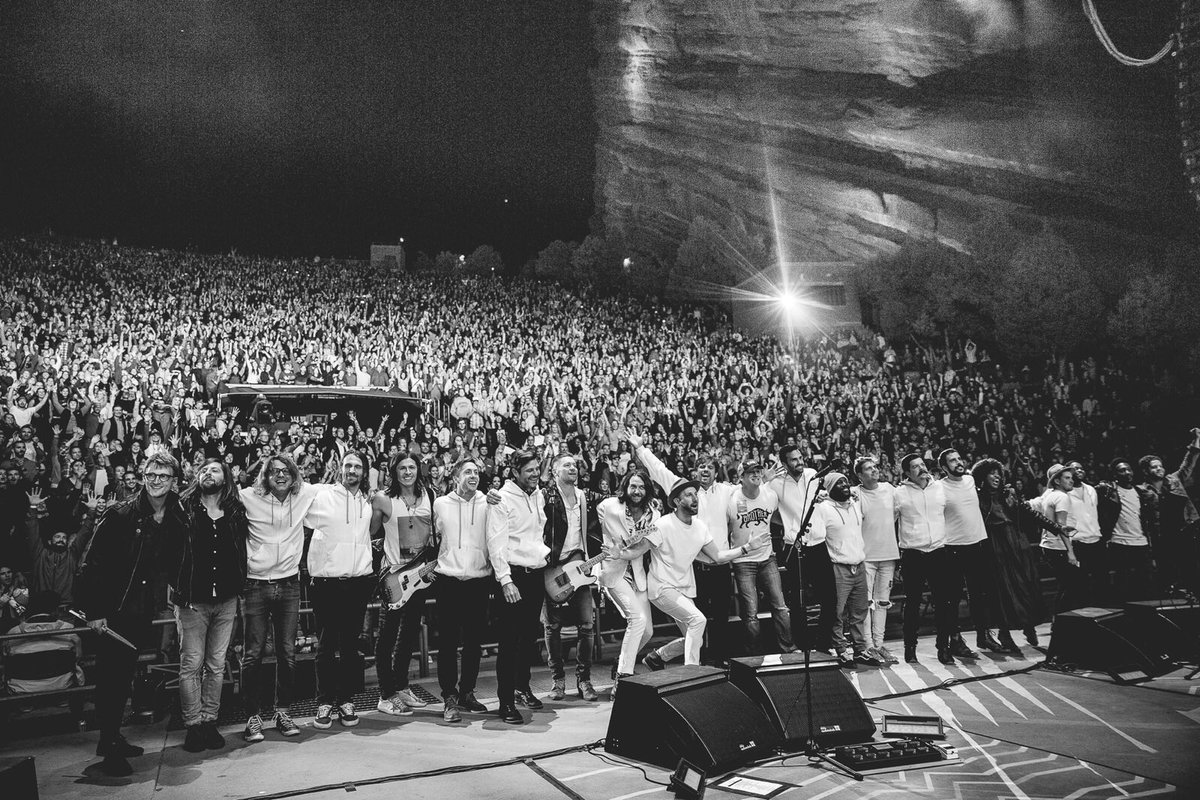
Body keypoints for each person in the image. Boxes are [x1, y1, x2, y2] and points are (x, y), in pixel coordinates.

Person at [74, 451, 187, 777]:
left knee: (123, 677)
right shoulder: (121, 513)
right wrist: (94, 612)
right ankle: (109, 746)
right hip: (113, 610)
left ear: (172, 481)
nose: (155, 480)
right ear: (143, 476)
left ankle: (111, 738)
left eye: (163, 476)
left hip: (141, 609)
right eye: (151, 474)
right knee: (110, 680)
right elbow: (91, 563)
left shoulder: (174, 512)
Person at [611, 478, 769, 668]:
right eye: (689, 495)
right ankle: (692, 672)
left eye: (695, 494)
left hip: (684, 589)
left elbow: (717, 556)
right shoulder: (662, 524)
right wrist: (619, 553)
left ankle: (658, 657)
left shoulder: (700, 527)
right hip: (662, 588)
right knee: (698, 620)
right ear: (677, 502)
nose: (695, 499)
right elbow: (638, 550)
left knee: (695, 637)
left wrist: (746, 548)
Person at [630, 430, 738, 666]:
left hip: (717, 562)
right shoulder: (683, 489)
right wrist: (640, 448)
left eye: (710, 467)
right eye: (701, 467)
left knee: (718, 618)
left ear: (716, 471)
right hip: (692, 567)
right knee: (697, 621)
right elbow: (658, 469)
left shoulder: (728, 491)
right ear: (695, 472)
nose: (706, 470)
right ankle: (696, 666)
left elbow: (753, 493)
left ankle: (713, 662)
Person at [238, 453, 316, 742]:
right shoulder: (248, 497)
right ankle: (253, 717)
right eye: (273, 472)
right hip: (255, 584)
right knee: (253, 654)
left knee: (287, 653)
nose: (280, 475)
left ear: (294, 475)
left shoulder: (305, 494)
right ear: (265, 476)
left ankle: (283, 712)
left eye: (285, 471)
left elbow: (338, 490)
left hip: (288, 585)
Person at [174, 458, 248, 753]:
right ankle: (192, 725)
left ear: (225, 477)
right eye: (203, 469)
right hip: (193, 600)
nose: (207, 472)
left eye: (214, 469)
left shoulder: (235, 511)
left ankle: (209, 721)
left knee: (216, 665)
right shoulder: (184, 508)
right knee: (191, 664)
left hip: (227, 598)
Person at [303, 451, 375, 730]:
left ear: (364, 472)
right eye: (347, 465)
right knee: (326, 644)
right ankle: (324, 702)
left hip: (358, 581)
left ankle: (345, 700)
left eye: (357, 466)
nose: (351, 470)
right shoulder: (322, 495)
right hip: (327, 582)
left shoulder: (368, 501)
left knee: (349, 646)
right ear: (339, 469)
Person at [370, 452, 438, 718]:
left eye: (411, 467)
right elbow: (371, 533)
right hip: (394, 578)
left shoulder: (429, 496)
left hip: (419, 578)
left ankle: (401, 687)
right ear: (394, 471)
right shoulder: (384, 499)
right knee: (387, 635)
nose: (407, 472)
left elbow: (434, 534)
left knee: (409, 633)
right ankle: (385, 695)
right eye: (402, 468)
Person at [485, 449, 549, 724]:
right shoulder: (501, 498)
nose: (535, 474)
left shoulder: (538, 494)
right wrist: (506, 580)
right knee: (509, 642)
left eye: (536, 469)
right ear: (515, 472)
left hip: (535, 574)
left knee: (527, 640)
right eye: (529, 470)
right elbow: (495, 542)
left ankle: (522, 688)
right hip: (513, 576)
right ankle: (506, 702)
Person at [971, 458, 1056, 653]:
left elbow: (1029, 514)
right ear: (982, 477)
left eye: (998, 472)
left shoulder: (1008, 494)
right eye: (992, 473)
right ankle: (1004, 633)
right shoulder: (977, 498)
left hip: (1017, 542)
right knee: (1003, 591)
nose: (997, 476)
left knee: (1026, 585)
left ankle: (1028, 625)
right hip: (994, 544)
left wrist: (1056, 527)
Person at [432, 458, 492, 722]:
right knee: (446, 643)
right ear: (455, 476)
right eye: (467, 471)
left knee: (473, 643)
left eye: (476, 472)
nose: (473, 475)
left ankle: (467, 691)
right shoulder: (440, 504)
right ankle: (449, 696)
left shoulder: (489, 503)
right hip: (449, 580)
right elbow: (434, 539)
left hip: (479, 580)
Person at [541, 452, 605, 701]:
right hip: (554, 568)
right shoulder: (546, 496)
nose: (573, 468)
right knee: (552, 626)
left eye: (575, 465)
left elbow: (613, 502)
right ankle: (557, 681)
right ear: (555, 472)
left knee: (587, 626)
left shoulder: (584, 496)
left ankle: (584, 680)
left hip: (581, 567)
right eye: (566, 465)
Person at [595, 468, 658, 696]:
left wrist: (622, 552)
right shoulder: (609, 505)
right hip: (613, 572)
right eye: (633, 486)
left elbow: (645, 546)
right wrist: (607, 542)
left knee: (648, 631)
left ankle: (622, 661)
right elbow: (596, 510)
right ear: (625, 487)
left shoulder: (653, 513)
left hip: (637, 572)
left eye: (641, 487)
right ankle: (623, 680)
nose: (637, 491)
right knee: (637, 619)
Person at [807, 472, 880, 668]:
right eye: (838, 483)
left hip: (859, 563)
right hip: (838, 565)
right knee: (837, 613)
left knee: (859, 611)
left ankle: (860, 649)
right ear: (829, 488)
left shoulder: (855, 503)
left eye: (846, 481)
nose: (845, 485)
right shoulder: (823, 508)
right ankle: (840, 649)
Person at [893, 453, 957, 665]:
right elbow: (887, 521)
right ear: (907, 473)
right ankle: (910, 647)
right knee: (912, 604)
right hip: (913, 554)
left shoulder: (940, 488)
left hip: (939, 551)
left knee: (943, 603)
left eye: (922, 464)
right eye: (915, 466)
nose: (921, 468)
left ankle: (944, 647)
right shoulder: (899, 493)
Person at [727, 458, 794, 655]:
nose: (756, 475)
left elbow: (776, 516)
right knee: (750, 613)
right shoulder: (732, 500)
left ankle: (788, 648)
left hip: (767, 558)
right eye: (750, 473)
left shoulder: (770, 495)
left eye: (758, 471)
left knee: (780, 606)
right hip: (743, 560)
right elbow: (726, 527)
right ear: (741, 478)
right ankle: (755, 655)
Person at [767, 444, 828, 653]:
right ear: (784, 463)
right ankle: (803, 646)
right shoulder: (775, 484)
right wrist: (766, 478)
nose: (799, 462)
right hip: (795, 545)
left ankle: (824, 643)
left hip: (819, 544)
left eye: (800, 458)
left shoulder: (812, 475)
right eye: (793, 460)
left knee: (829, 597)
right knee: (798, 601)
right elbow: (759, 502)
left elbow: (828, 497)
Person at [937, 448, 991, 657]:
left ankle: (983, 635)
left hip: (978, 543)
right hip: (953, 547)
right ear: (944, 467)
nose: (958, 462)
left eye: (959, 458)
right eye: (952, 461)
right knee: (953, 597)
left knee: (980, 594)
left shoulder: (970, 480)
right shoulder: (939, 488)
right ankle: (956, 640)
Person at [1137, 429, 1200, 597]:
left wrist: (1196, 439)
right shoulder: (1141, 490)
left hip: (1185, 530)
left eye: (1160, 465)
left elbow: (1188, 463)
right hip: (1162, 535)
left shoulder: (1174, 479)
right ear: (1145, 471)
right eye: (1154, 467)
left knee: (1191, 567)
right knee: (1169, 571)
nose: (1159, 469)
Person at [852, 456, 900, 663]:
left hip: (888, 554)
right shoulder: (856, 493)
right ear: (860, 475)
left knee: (883, 602)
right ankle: (869, 646)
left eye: (875, 467)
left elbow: (899, 512)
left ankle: (879, 646)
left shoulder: (889, 489)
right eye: (868, 469)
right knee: (866, 604)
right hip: (867, 557)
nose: (874, 471)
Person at [22, 486, 99, 607]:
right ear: (50, 541)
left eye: (64, 538)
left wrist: (92, 510)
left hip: (66, 606)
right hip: (41, 606)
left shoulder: (72, 555)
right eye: (57, 537)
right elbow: (32, 531)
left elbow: (85, 533)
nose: (61, 540)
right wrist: (32, 508)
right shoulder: (40, 554)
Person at [1097, 459, 1159, 603]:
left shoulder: (1140, 492)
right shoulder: (1109, 490)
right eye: (1122, 470)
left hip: (1141, 542)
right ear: (1115, 474)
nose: (1127, 472)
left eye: (1128, 469)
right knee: (1123, 582)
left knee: (1145, 582)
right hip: (1119, 542)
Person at [1038, 464, 1082, 615]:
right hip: (1057, 548)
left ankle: (1059, 622)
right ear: (1057, 481)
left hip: (1050, 546)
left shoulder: (1050, 495)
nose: (1071, 481)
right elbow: (1061, 526)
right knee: (1070, 586)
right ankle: (1060, 623)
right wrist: (1070, 552)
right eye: (1067, 478)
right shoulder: (1062, 497)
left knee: (1066, 586)